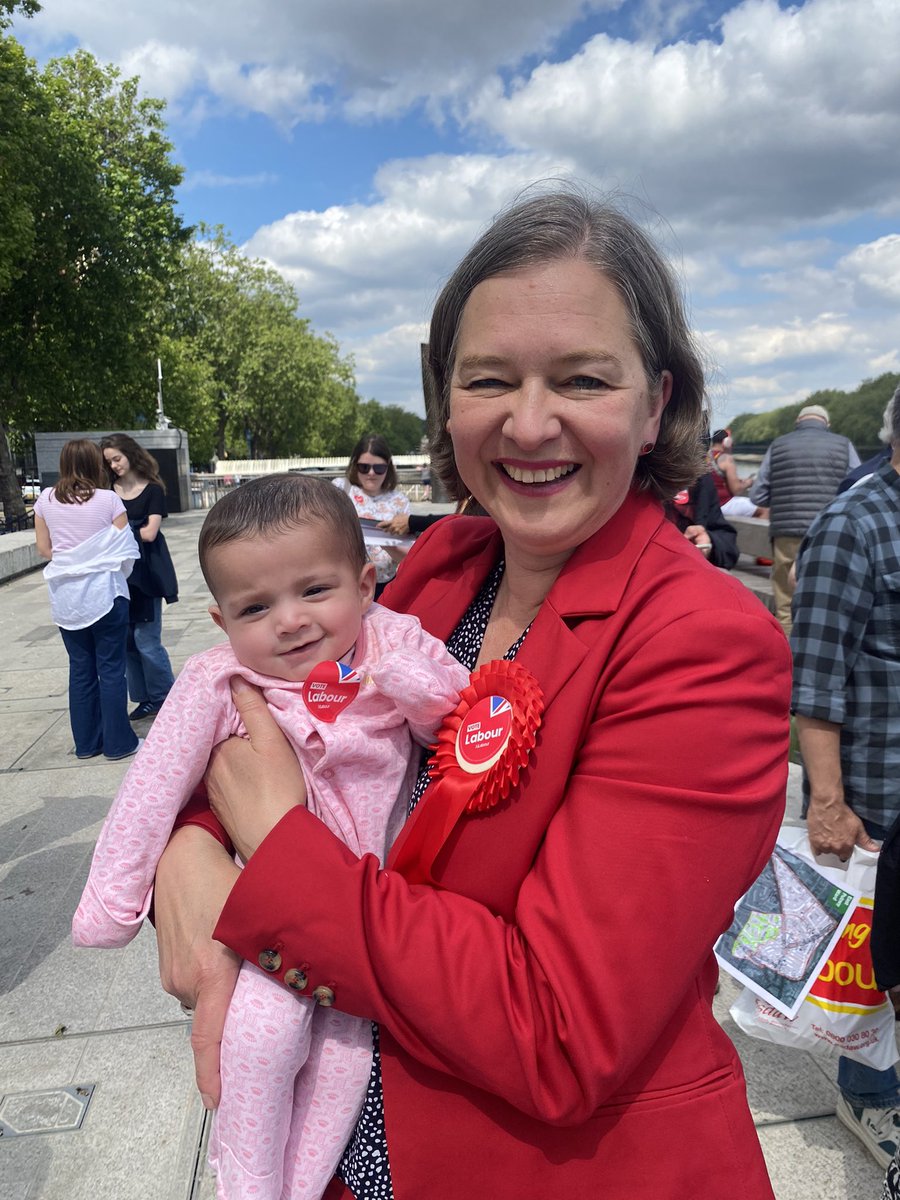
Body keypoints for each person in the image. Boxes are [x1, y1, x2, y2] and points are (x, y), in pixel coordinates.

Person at [153, 188, 791, 1199]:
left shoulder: (705, 644)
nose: (529, 424)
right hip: (351, 1151)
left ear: (655, 401)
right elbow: (270, 715)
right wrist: (184, 850)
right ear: (444, 402)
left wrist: (273, 860)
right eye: (490, 379)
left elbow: (557, 1030)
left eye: (581, 378)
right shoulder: (440, 565)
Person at [73, 474, 468, 1199]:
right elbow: (155, 785)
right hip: (271, 911)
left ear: (366, 583)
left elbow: (456, 714)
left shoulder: (394, 641)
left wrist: (401, 679)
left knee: (347, 1047)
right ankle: (249, 1181)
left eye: (314, 592)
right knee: (263, 1030)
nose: (289, 621)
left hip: (372, 912)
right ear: (223, 623)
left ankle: (302, 1178)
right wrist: (114, 898)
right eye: (256, 607)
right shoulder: (218, 681)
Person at [791, 383, 900, 1174]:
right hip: (880, 793)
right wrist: (828, 804)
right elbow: (816, 679)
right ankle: (870, 1096)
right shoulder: (853, 526)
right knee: (874, 966)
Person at [33, 439, 140, 761]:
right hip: (105, 593)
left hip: (66, 598)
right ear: (96, 464)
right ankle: (119, 743)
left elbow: (44, 549)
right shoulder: (109, 500)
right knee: (110, 670)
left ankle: (86, 744)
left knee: (80, 670)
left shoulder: (45, 499)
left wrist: (73, 560)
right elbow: (124, 549)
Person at [749, 405, 859, 635]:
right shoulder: (843, 444)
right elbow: (857, 488)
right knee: (826, 597)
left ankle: (788, 658)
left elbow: (757, 494)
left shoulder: (778, 445)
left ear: (798, 422)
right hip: (829, 534)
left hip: (786, 533)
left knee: (786, 603)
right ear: (826, 424)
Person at [101, 434, 178, 720]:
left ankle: (165, 696)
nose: (114, 465)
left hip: (147, 575)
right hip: (119, 575)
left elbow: (150, 533)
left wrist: (117, 533)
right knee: (127, 641)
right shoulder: (108, 491)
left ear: (131, 454)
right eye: (109, 461)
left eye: (117, 458)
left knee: (147, 640)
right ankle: (144, 698)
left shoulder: (153, 490)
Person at [333, 435, 410, 596]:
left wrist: (386, 541)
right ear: (355, 465)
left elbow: (409, 557)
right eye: (364, 467)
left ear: (388, 467)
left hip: (386, 584)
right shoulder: (340, 489)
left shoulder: (399, 501)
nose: (371, 473)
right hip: (347, 582)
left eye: (379, 468)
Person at [665, 472, 739, 569]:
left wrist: (708, 544)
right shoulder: (643, 477)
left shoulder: (702, 479)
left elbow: (729, 549)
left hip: (690, 569)